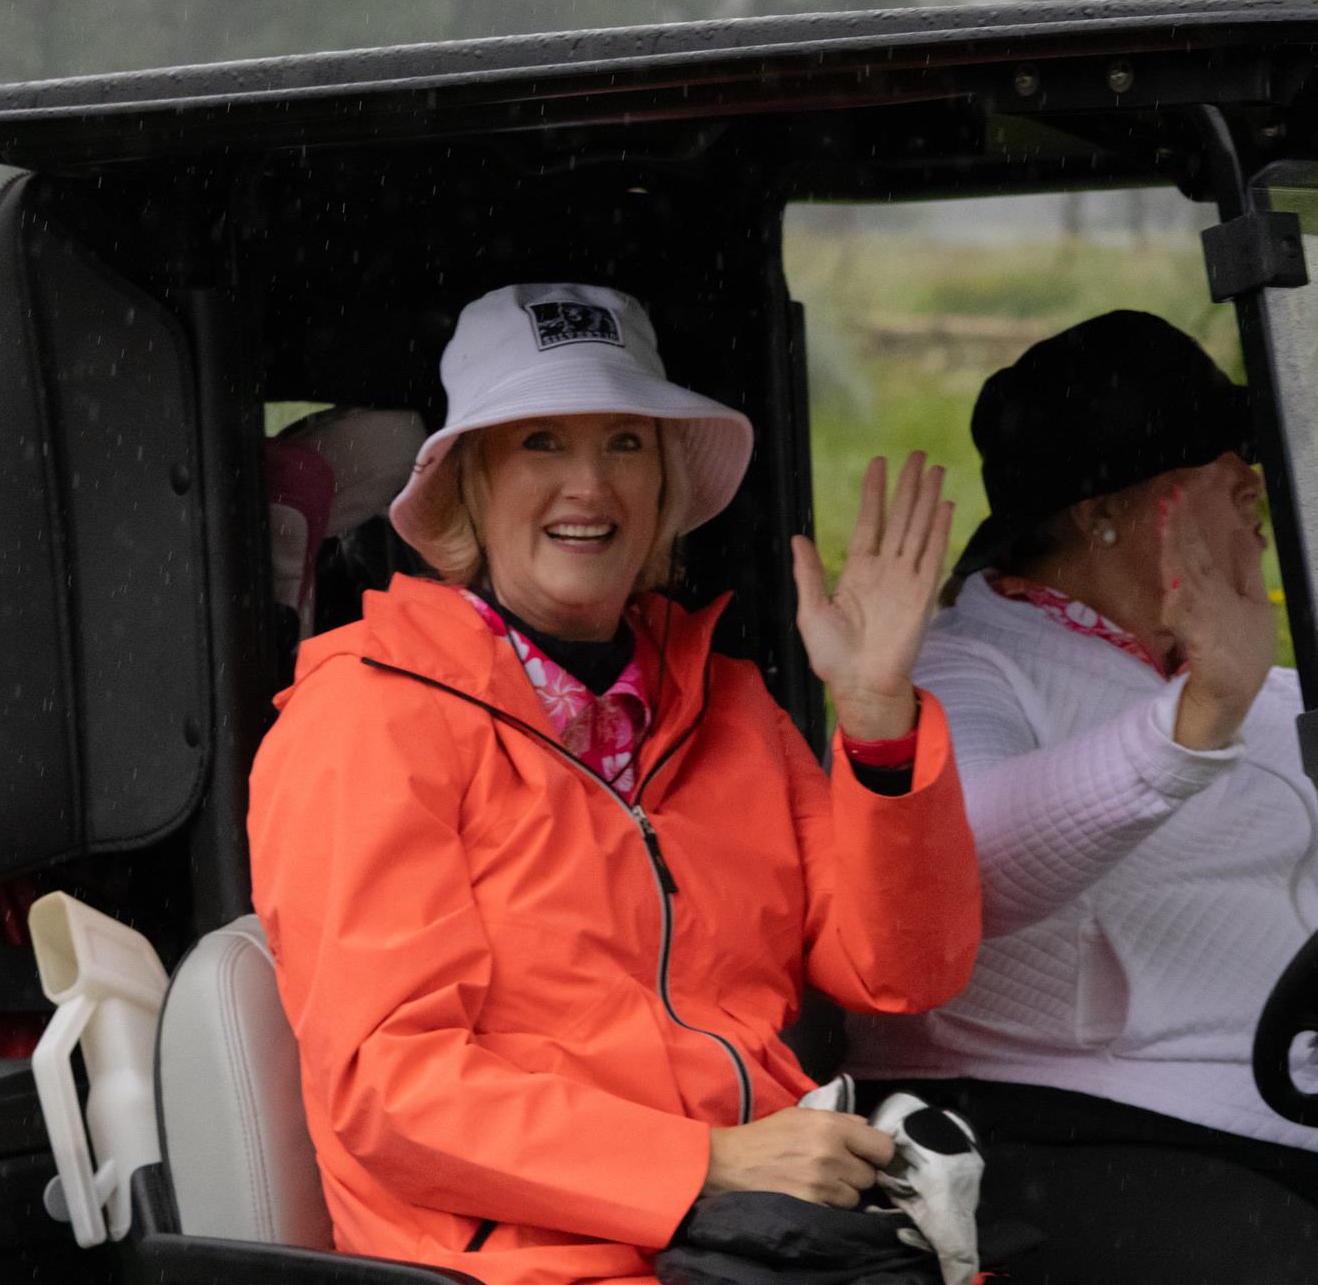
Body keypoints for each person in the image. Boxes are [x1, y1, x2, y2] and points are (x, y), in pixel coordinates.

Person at [246, 282, 983, 1285]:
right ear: (468, 485)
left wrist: (878, 716)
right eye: (540, 441)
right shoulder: (367, 718)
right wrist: (705, 1163)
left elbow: (903, 969)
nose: (589, 485)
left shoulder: (730, 706)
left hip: (762, 1243)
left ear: (665, 486)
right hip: (527, 1266)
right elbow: (393, 1090)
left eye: (626, 444)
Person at [845, 311, 1318, 1285]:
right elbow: (960, 872)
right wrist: (1193, 725)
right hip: (1076, 1133)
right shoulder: (966, 670)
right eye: (1220, 465)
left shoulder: (1258, 689)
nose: (1254, 487)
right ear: (1104, 512)